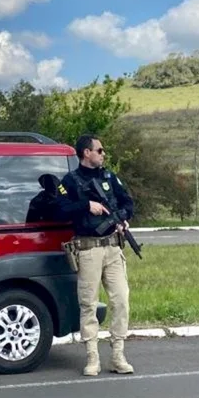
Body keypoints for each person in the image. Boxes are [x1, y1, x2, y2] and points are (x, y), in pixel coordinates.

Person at [56, 134, 135, 377]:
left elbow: (128, 202)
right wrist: (85, 205)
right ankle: (92, 356)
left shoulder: (109, 176)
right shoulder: (70, 180)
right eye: (99, 150)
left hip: (113, 246)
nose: (103, 154)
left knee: (121, 299)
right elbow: (59, 209)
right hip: (88, 249)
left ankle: (118, 354)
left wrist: (122, 218)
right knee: (88, 303)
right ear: (86, 153)